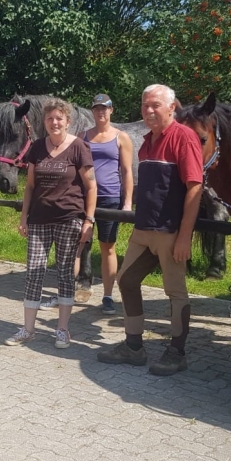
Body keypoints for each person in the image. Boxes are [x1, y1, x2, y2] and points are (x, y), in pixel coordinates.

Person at [95, 84, 202, 376]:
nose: (149, 110)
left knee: (175, 292)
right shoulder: (147, 141)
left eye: (155, 105)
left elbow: (195, 187)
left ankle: (177, 352)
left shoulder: (184, 137)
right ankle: (133, 347)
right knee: (127, 280)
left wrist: (184, 236)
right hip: (144, 229)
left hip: (169, 232)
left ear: (172, 108)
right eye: (145, 106)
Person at [5, 99, 96, 350]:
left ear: (67, 121)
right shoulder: (37, 147)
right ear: (44, 122)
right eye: (50, 119)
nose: (54, 122)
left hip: (69, 218)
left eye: (59, 118)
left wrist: (88, 220)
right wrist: (24, 217)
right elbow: (30, 186)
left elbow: (91, 186)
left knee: (65, 274)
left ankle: (62, 330)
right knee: (34, 272)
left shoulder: (79, 147)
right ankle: (28, 329)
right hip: (39, 219)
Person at [82, 93, 133, 315]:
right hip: (84, 198)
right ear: (92, 112)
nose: (100, 112)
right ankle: (68, 290)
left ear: (111, 110)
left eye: (104, 108)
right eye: (96, 108)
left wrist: (127, 203)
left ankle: (108, 295)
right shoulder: (83, 136)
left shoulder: (121, 137)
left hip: (110, 198)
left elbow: (127, 171)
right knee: (79, 243)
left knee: (107, 247)